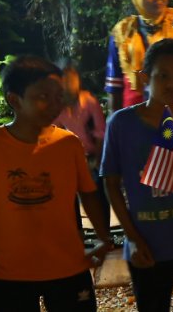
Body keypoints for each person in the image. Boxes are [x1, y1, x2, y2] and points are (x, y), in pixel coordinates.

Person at [0, 56, 114, 311]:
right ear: (15, 100)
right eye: (43, 96)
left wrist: (104, 238)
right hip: (9, 270)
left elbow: (88, 193)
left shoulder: (69, 144)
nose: (55, 104)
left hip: (68, 265)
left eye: (59, 96)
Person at [100, 40, 173, 312]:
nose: (171, 84)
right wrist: (132, 237)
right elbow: (111, 183)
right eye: (162, 76)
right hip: (148, 244)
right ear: (145, 77)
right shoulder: (121, 124)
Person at [53, 62, 110, 228]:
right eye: (65, 82)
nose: (69, 86)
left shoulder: (88, 102)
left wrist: (98, 160)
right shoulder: (57, 107)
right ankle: (77, 235)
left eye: (72, 81)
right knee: (69, 198)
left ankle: (104, 232)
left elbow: (100, 133)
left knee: (98, 193)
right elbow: (51, 132)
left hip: (92, 156)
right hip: (69, 158)